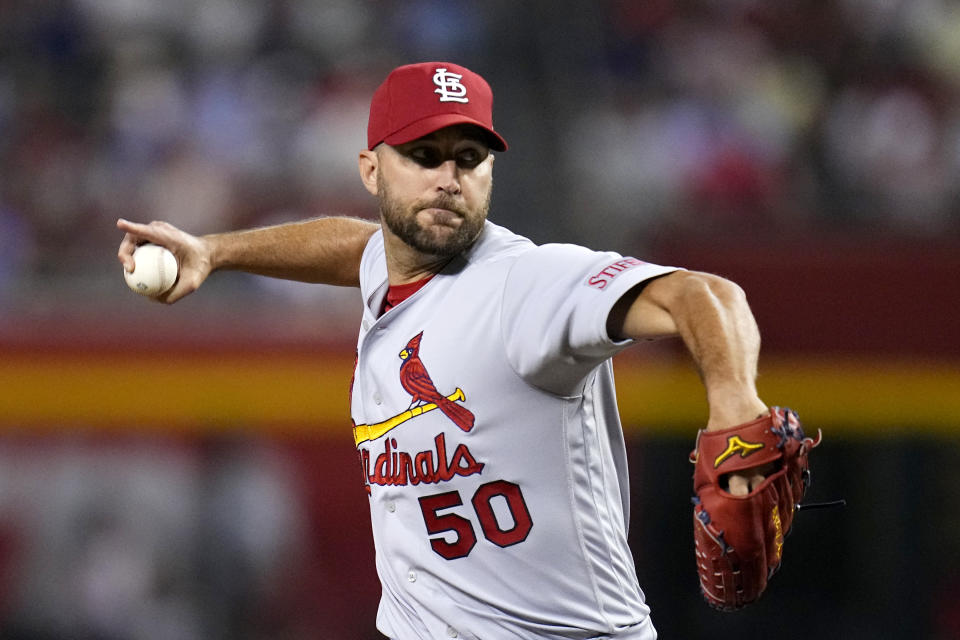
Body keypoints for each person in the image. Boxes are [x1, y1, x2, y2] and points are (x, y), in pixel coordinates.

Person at [117, 62, 771, 640]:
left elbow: (704, 295)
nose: (449, 178)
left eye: (469, 156)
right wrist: (216, 252)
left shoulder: (526, 285)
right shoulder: (393, 264)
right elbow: (357, 247)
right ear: (371, 171)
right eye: (424, 156)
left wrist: (736, 408)